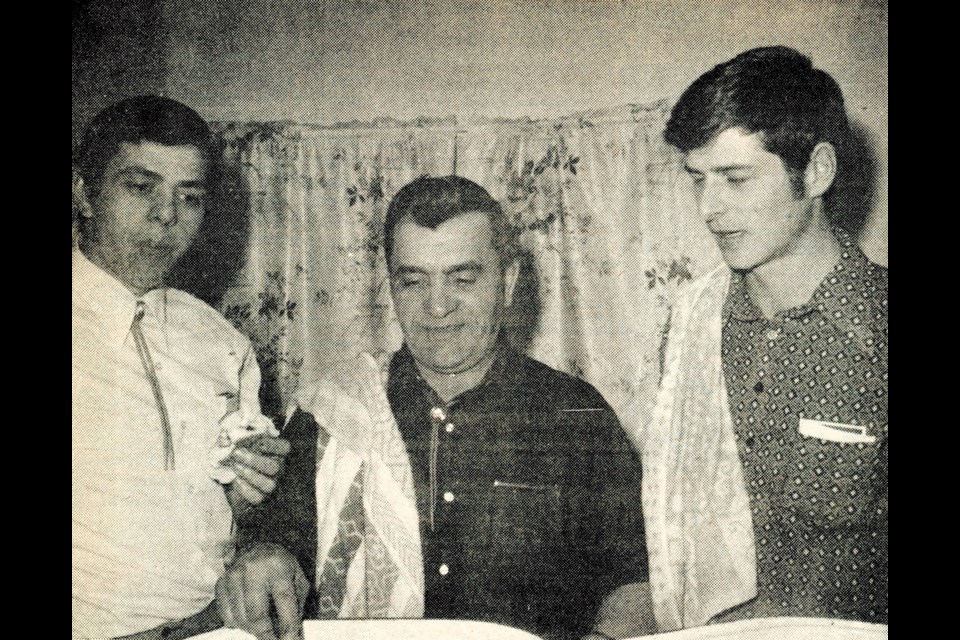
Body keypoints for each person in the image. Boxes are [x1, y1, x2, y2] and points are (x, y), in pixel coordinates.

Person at [223, 175, 649, 640]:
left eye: (463, 279)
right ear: (391, 288)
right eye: (413, 281)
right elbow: (269, 544)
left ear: (507, 283)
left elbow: (635, 581)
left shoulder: (575, 416)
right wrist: (262, 555)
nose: (437, 306)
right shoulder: (334, 412)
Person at [634, 46, 887, 633]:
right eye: (698, 179)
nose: (709, 209)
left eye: (736, 178)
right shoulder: (692, 323)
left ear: (817, 171)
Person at [72, 96, 291, 640]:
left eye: (189, 197)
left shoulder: (222, 342)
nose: (166, 217)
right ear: (83, 192)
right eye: (140, 188)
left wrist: (249, 497)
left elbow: (237, 512)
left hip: (218, 628)